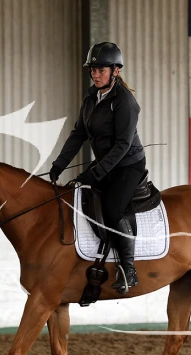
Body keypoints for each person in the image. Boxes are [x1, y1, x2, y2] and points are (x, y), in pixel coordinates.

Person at [48, 42, 146, 295]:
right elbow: (78, 133)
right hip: (107, 161)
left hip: (128, 165)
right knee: (77, 194)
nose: (95, 74)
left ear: (115, 71)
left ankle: (129, 269)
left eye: (101, 70)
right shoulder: (91, 97)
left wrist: (96, 172)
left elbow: (123, 145)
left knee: (113, 209)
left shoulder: (125, 102)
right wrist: (60, 163)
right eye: (93, 69)